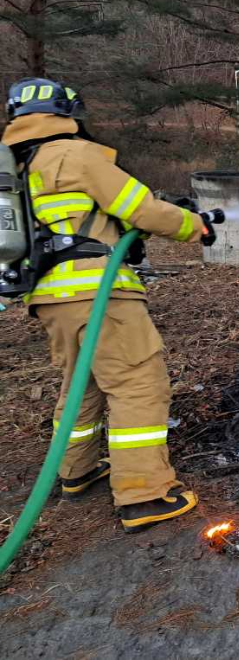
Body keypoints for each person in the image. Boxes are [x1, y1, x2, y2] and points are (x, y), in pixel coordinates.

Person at [3, 77, 204, 533]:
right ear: (66, 112)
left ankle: (76, 470)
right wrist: (196, 226)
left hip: (49, 298)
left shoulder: (16, 166)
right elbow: (142, 209)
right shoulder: (74, 154)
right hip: (99, 293)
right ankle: (144, 494)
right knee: (137, 383)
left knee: (83, 383)